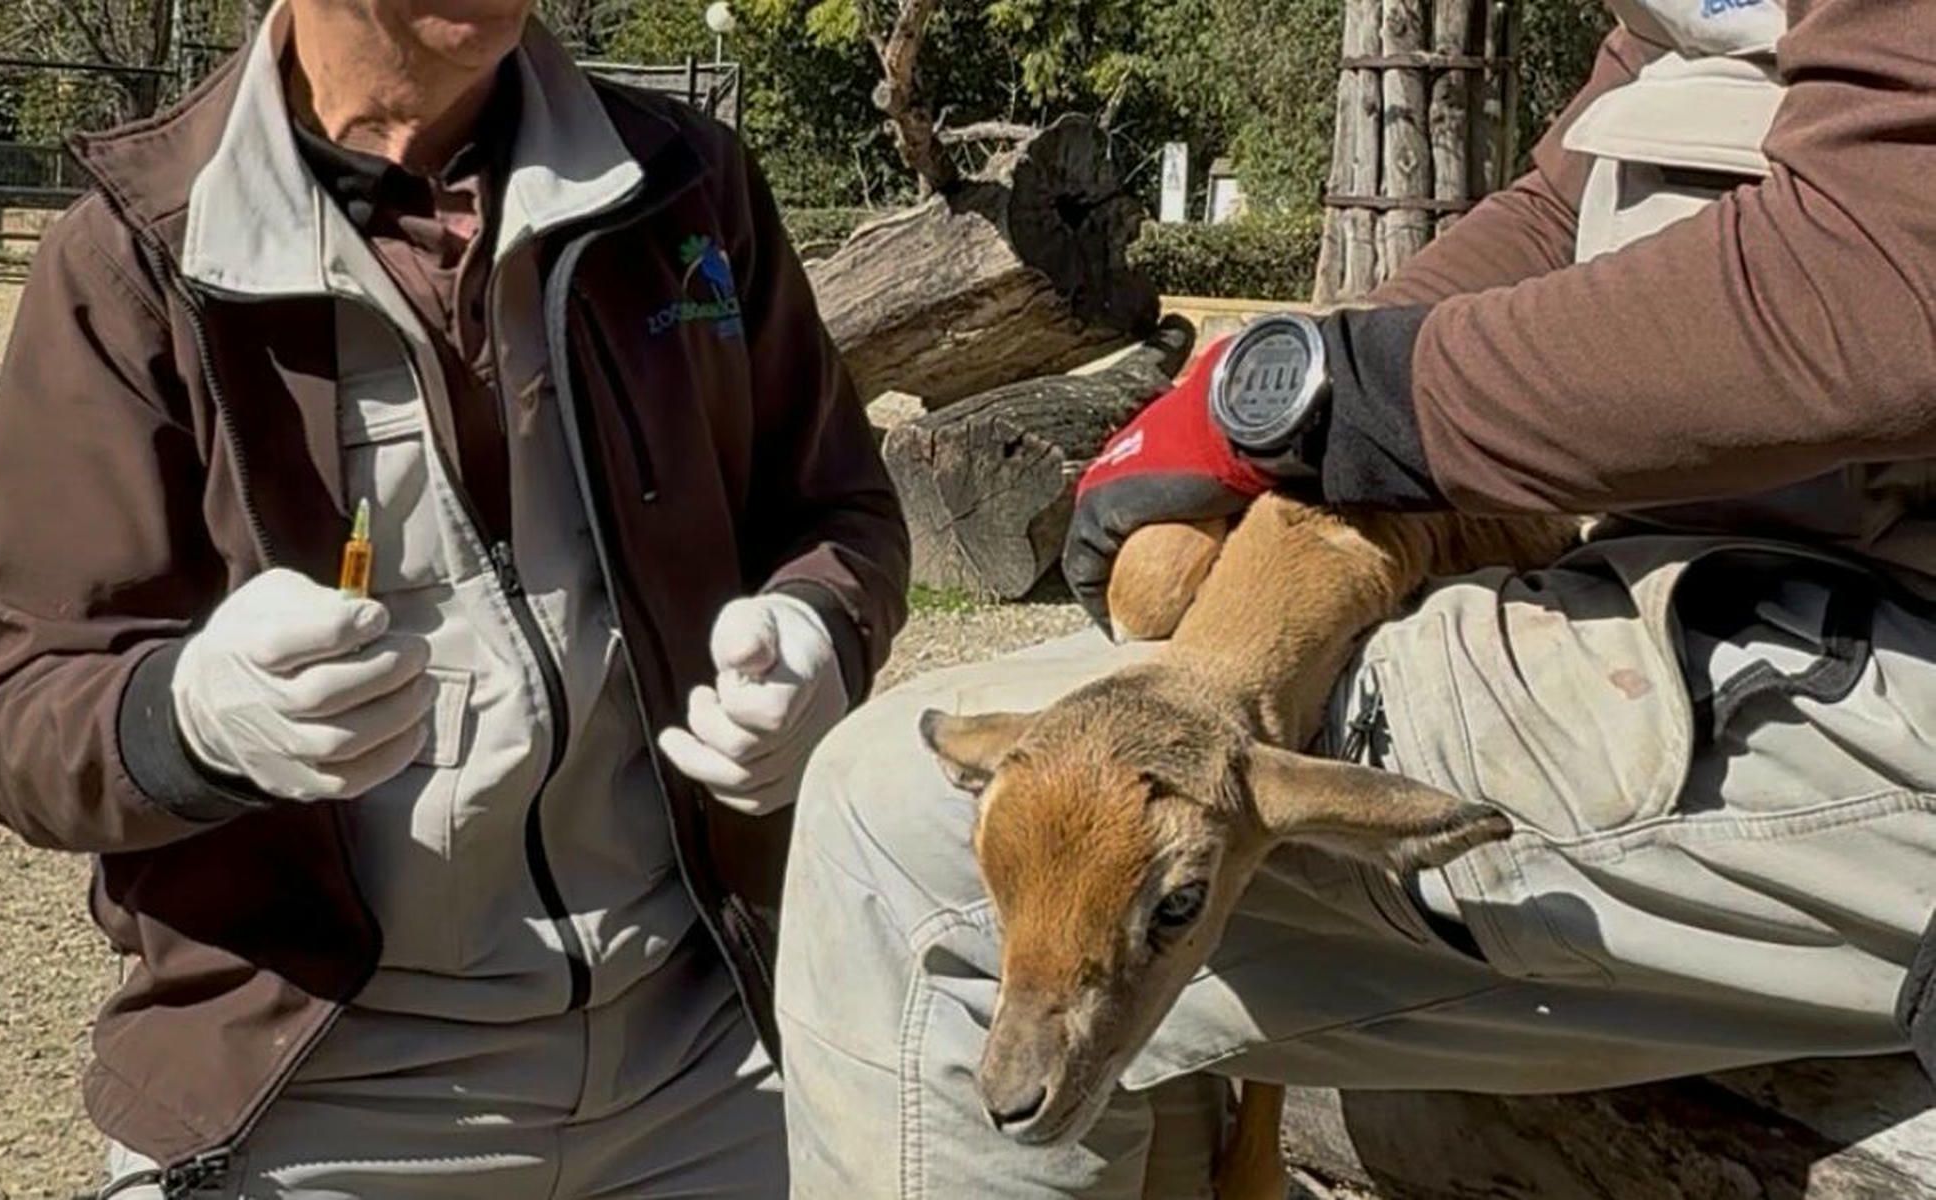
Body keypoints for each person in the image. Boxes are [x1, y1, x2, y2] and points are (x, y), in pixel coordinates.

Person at [776, 0, 1936, 1194]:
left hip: (1867, 620)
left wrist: (1347, 400)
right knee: (1043, 808)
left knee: (897, 855)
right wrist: (1277, 383)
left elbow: (1891, 274)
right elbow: (1560, 206)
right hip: (1704, 568)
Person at [0, 0, 907, 1193]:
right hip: (317, 1096)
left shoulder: (684, 187)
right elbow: (23, 718)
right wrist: (189, 722)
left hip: (707, 1057)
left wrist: (819, 631)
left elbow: (839, 513)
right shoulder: (133, 257)